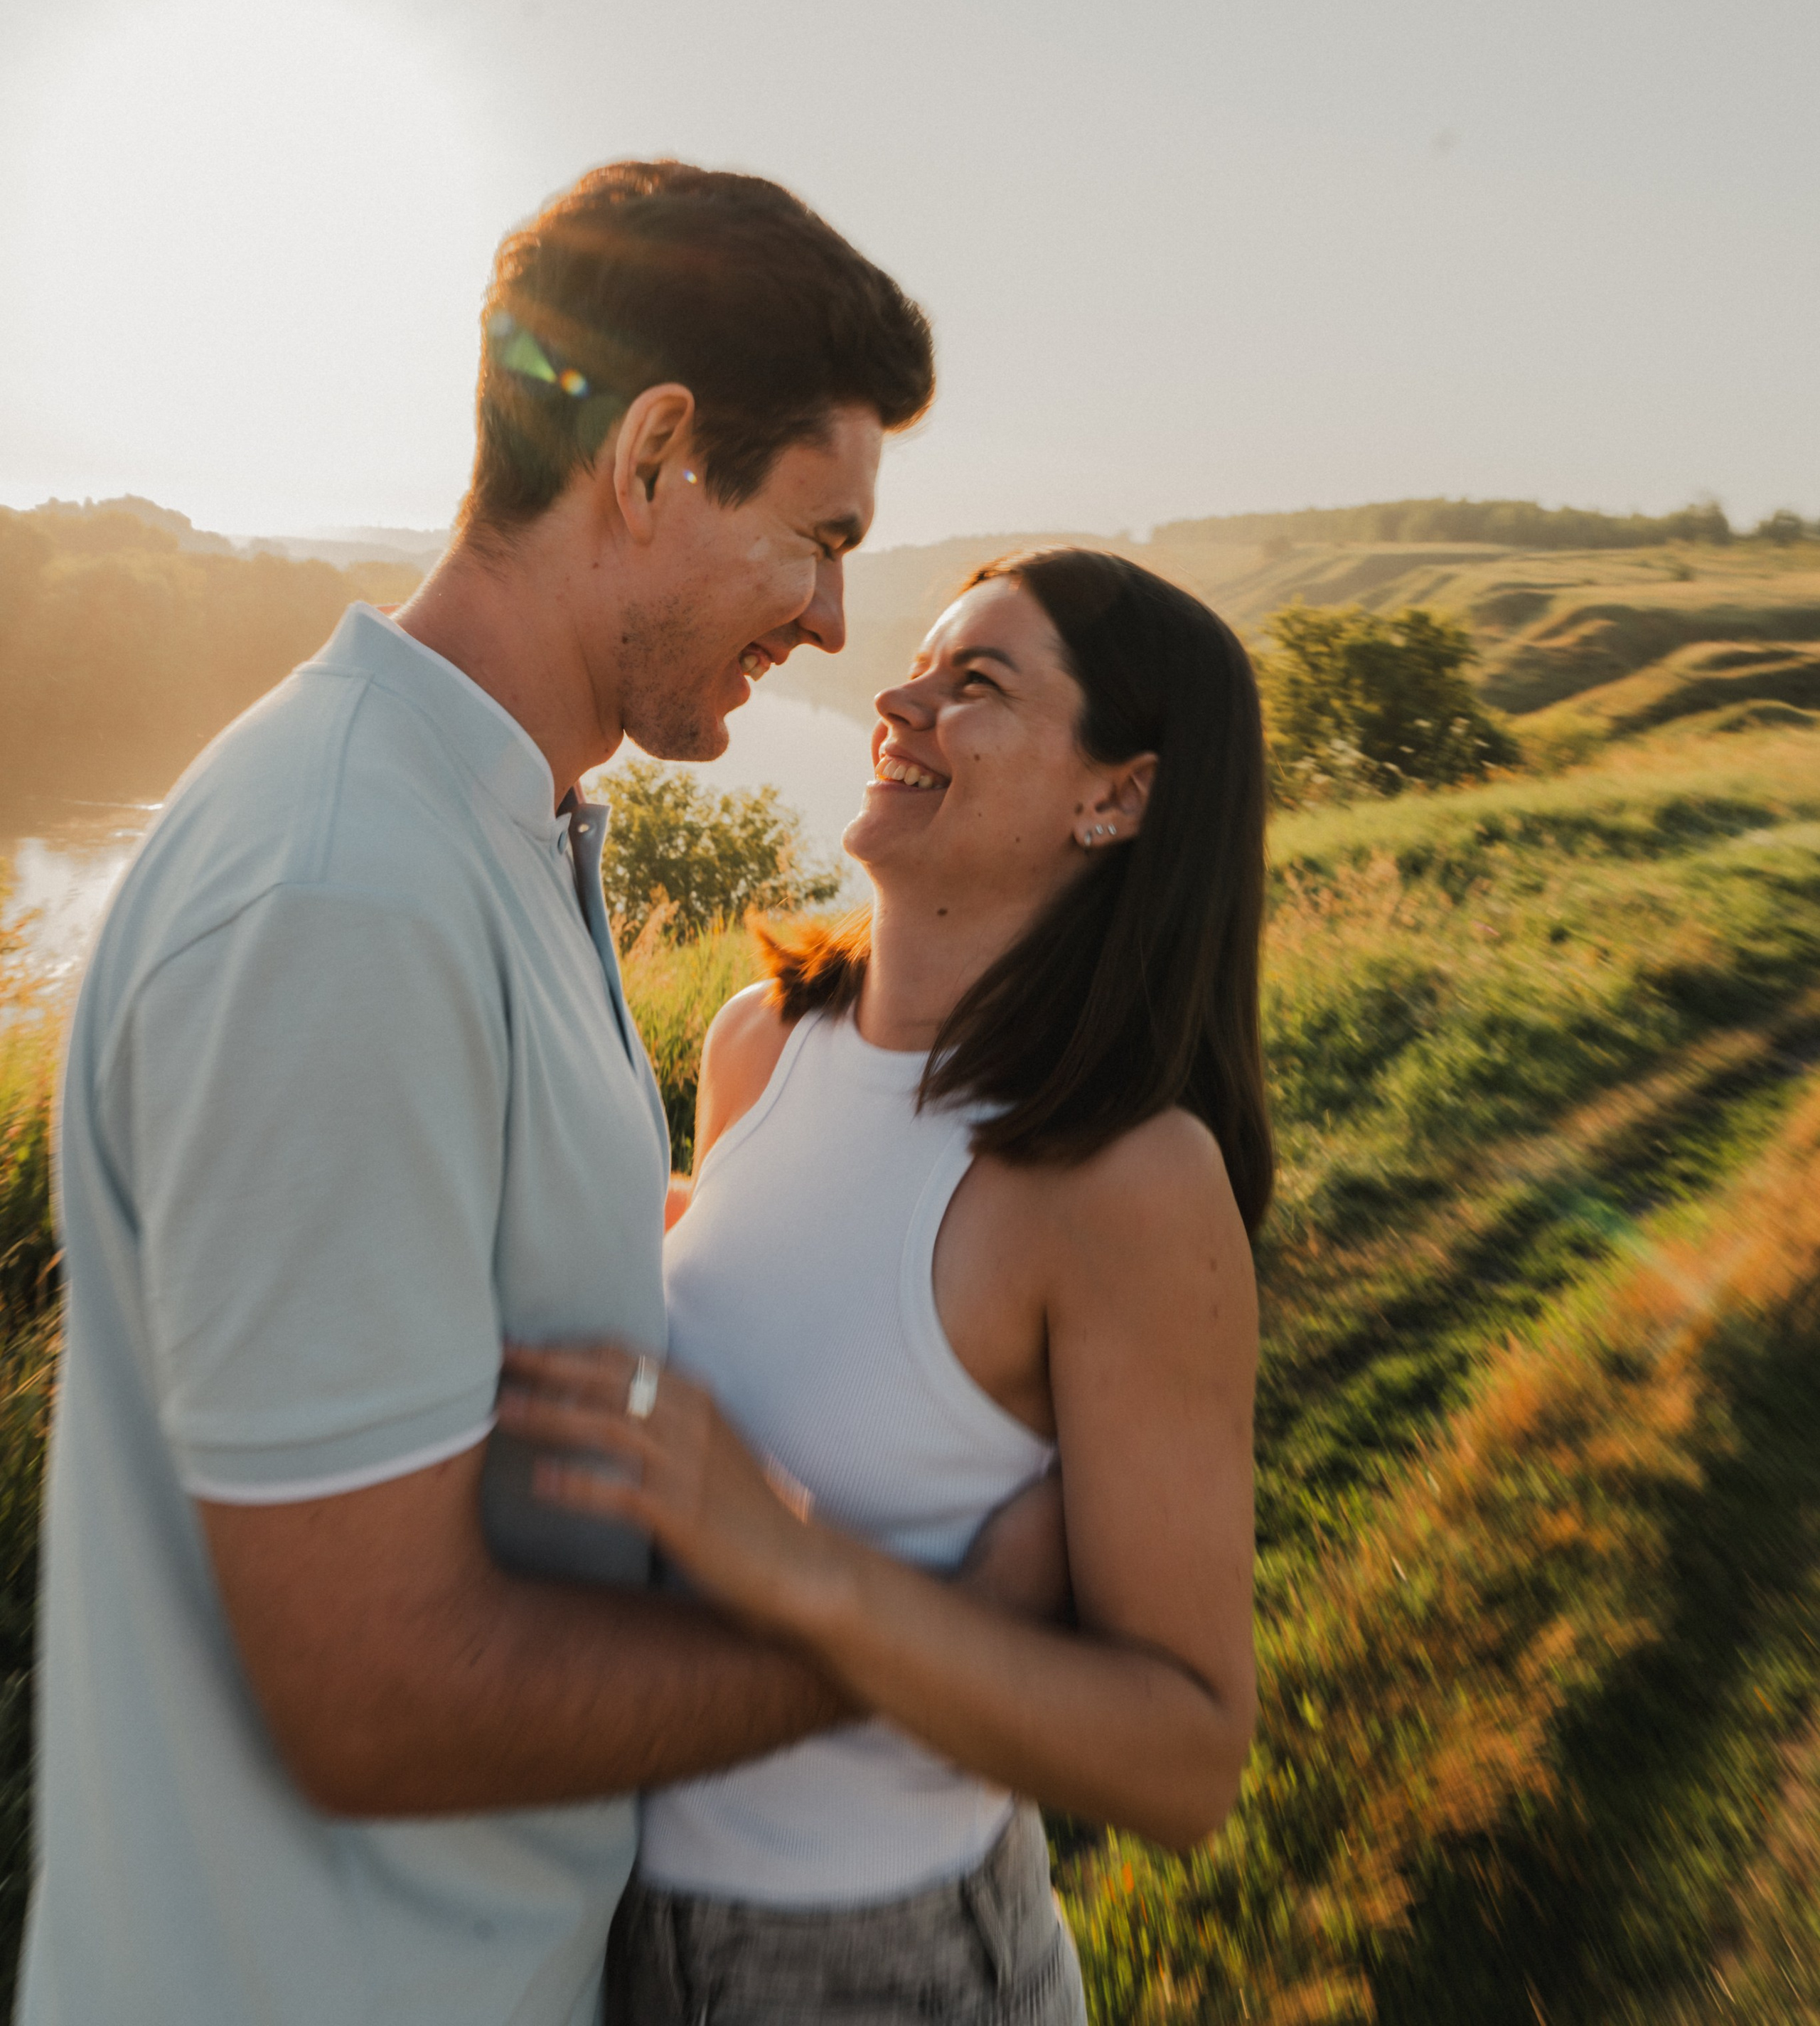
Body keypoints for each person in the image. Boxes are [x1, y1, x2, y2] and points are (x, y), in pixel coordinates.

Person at [21, 159, 1004, 2026]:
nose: (828, 624)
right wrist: (906, 1646)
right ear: (651, 458)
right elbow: (379, 1702)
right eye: (818, 534)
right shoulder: (346, 894)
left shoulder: (498, 827)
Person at [497, 544, 1272, 2026]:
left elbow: (1182, 1763)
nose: (897, 700)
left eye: (973, 682)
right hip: (600, 1922)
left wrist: (797, 1566)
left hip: (875, 1967)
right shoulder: (754, 1045)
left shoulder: (1122, 1184)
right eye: (918, 662)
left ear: (1118, 795)